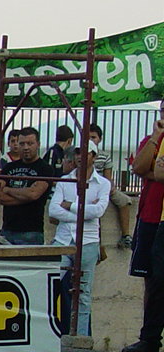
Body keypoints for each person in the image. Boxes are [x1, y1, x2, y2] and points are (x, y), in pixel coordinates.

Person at [49, 143, 109, 336]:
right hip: (64, 240)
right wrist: (83, 213)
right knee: (51, 286)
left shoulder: (103, 183)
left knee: (83, 294)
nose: (80, 156)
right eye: (77, 152)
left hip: (87, 241)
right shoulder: (65, 180)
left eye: (85, 152)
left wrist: (70, 205)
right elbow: (53, 210)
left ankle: (81, 338)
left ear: (94, 156)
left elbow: (98, 211)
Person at [124, 106, 164, 352]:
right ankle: (149, 338)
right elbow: (139, 168)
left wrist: (155, 172)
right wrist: (155, 137)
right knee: (152, 278)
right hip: (150, 217)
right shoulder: (151, 140)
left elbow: (157, 173)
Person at [0, 126, 55, 245]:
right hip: (7, 231)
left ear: (38, 144)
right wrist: (26, 197)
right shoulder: (8, 167)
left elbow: (33, 194)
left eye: (30, 143)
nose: (26, 147)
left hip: (31, 233)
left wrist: (8, 189)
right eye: (22, 143)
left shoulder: (45, 169)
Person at [87, 123, 133, 248]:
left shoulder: (105, 157)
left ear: (100, 139)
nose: (90, 140)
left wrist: (107, 190)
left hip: (102, 187)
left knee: (124, 200)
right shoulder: (79, 154)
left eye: (93, 137)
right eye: (88, 137)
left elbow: (108, 178)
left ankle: (126, 235)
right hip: (87, 187)